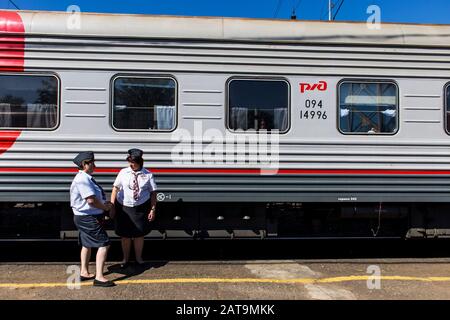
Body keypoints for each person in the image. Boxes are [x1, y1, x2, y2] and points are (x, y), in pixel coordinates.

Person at [70, 151, 115, 287]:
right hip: (87, 218)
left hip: (84, 216)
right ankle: (99, 277)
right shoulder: (82, 179)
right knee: (104, 244)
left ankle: (84, 272)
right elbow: (90, 200)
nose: (95, 165)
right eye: (92, 163)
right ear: (85, 164)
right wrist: (105, 207)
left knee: (87, 244)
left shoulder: (84, 178)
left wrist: (103, 205)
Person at [111, 148, 157, 267]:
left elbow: (153, 193)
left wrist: (152, 209)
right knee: (125, 235)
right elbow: (115, 189)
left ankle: (138, 259)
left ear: (140, 162)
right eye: (129, 162)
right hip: (124, 207)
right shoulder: (123, 172)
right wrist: (112, 206)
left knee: (139, 234)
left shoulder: (148, 175)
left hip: (140, 207)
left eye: (133, 162)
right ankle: (125, 259)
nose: (131, 164)